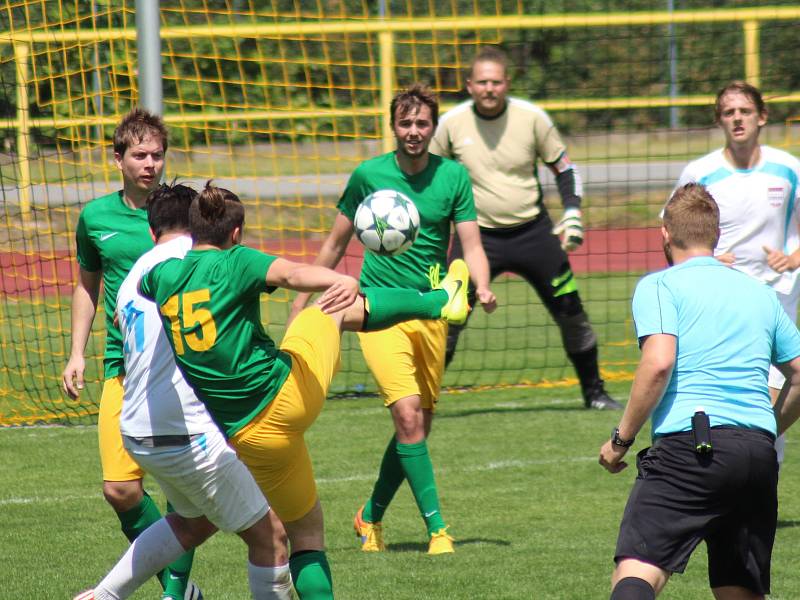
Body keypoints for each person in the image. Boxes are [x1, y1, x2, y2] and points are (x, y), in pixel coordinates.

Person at [138, 181, 472, 598]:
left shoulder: (160, 277)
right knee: (328, 308)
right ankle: (440, 300)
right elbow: (294, 274)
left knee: (304, 533)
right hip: (286, 394)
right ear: (236, 234)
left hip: (247, 435)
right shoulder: (237, 261)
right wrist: (338, 279)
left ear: (190, 231)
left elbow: (145, 286)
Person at [290, 83, 497, 555]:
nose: (413, 132)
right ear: (393, 126)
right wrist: (302, 298)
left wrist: (481, 285)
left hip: (433, 311)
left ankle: (370, 518)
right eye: (405, 123)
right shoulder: (368, 175)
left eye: (422, 123)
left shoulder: (453, 178)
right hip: (377, 311)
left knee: (416, 430)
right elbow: (335, 244)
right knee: (406, 418)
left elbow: (473, 244)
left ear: (434, 127)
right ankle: (439, 531)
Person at [74, 183, 292, 600]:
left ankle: (103, 596)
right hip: (186, 432)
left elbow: (125, 328)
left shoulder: (137, 275)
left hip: (138, 428)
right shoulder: (196, 266)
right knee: (272, 537)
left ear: (152, 233)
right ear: (196, 224)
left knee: (192, 523)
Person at [599, 184, 800, 600]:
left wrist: (621, 439)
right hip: (756, 458)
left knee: (636, 575)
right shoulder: (760, 295)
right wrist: (766, 429)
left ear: (665, 235)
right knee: (739, 590)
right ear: (717, 236)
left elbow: (658, 362)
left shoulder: (660, 286)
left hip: (691, 449)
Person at [429, 46, 621, 410]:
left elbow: (565, 170)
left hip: (534, 233)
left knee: (571, 311)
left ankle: (594, 393)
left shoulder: (531, 118)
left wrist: (573, 212)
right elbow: (430, 174)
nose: (489, 89)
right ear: (469, 85)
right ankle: (425, 396)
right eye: (482, 82)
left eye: (496, 82)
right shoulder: (451, 124)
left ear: (507, 84)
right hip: (476, 237)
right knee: (446, 318)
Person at [60, 109, 200, 599]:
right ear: (117, 159)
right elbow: (86, 286)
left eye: (157, 155)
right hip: (123, 367)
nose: (150, 164)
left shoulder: (187, 215)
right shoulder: (96, 218)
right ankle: (180, 586)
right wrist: (77, 352)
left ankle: (176, 592)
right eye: (139, 155)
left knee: (184, 496)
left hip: (185, 369)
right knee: (120, 489)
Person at [672, 80, 800, 464]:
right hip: (720, 299)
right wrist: (704, 257)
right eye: (729, 112)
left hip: (777, 295)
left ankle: (760, 477)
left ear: (761, 117)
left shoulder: (789, 168)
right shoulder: (701, 172)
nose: (737, 118)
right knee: (729, 394)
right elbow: (673, 230)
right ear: (719, 121)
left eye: (744, 111)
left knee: (775, 396)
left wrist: (793, 258)